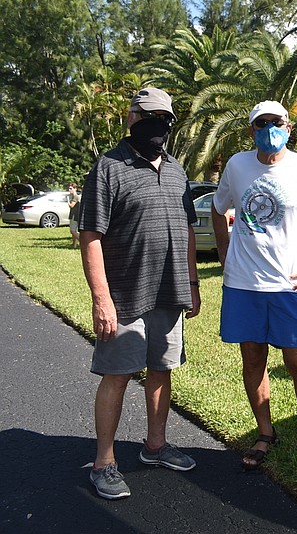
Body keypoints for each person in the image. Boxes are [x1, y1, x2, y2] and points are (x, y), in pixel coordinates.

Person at [78, 87, 202, 500]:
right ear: (131, 117)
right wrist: (101, 297)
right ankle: (104, 462)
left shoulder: (177, 170)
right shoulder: (108, 167)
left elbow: (185, 230)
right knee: (117, 375)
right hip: (125, 295)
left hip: (168, 293)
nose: (157, 125)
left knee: (162, 369)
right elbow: (90, 234)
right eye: (148, 116)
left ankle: (155, 445)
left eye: (164, 118)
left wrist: (193, 284)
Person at [211, 100, 297, 470]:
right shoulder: (237, 165)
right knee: (252, 357)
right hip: (243, 284)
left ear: (289, 128)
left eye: (277, 122)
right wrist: (224, 253)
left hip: (289, 287)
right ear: (251, 130)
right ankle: (265, 433)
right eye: (261, 124)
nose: (269, 129)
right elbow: (217, 208)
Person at [67, 183, 81, 249]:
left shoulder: (75, 196)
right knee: (73, 230)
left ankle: (81, 240)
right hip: (73, 214)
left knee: (72, 231)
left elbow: (71, 205)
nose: (69, 190)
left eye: (71, 188)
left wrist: (67, 200)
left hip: (75, 215)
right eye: (69, 188)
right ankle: (74, 244)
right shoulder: (72, 196)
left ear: (75, 189)